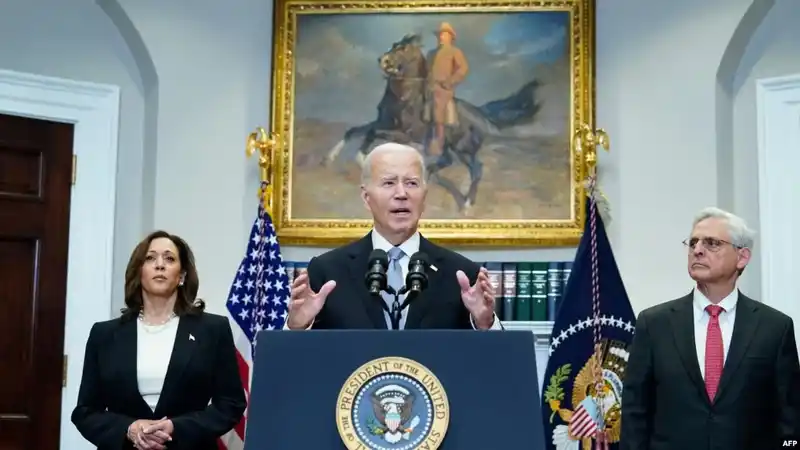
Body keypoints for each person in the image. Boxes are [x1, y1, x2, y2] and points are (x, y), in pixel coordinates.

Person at [620, 207, 799, 449]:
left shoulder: (775, 327)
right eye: (693, 242)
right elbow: (635, 413)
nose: (697, 250)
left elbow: (790, 418)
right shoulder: (654, 324)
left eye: (712, 243)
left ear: (742, 257)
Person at [285, 142, 500, 331]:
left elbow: (494, 359)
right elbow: (299, 359)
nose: (401, 194)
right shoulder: (327, 272)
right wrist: (297, 327)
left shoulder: (462, 275)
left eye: (411, 183)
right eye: (389, 183)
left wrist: (485, 323)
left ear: (424, 196)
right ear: (366, 197)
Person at [71, 231, 246, 450]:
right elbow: (86, 412)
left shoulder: (213, 330)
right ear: (139, 272)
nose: (160, 265)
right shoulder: (104, 334)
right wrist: (128, 429)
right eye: (150, 258)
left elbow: (231, 404)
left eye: (169, 259)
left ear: (181, 276)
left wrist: (177, 428)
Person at [424, 22, 469, 160]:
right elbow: (426, 71)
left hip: (443, 89)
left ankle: (439, 144)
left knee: (439, 115)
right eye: (439, 35)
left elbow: (463, 69)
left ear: (450, 37)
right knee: (424, 113)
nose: (441, 37)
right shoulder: (431, 54)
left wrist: (450, 81)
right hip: (429, 88)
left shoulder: (455, 52)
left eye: (444, 34)